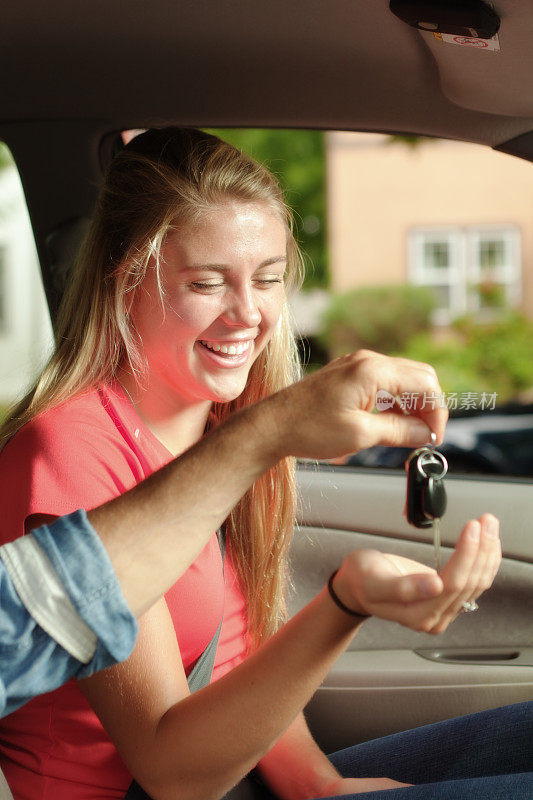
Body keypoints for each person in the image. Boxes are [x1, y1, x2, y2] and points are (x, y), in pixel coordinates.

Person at [0, 127, 528, 800]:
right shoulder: (70, 454)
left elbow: (233, 661)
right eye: (208, 281)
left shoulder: (223, 427)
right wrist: (343, 602)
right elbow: (170, 772)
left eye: (269, 278)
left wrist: (320, 786)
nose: (248, 314)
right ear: (125, 277)